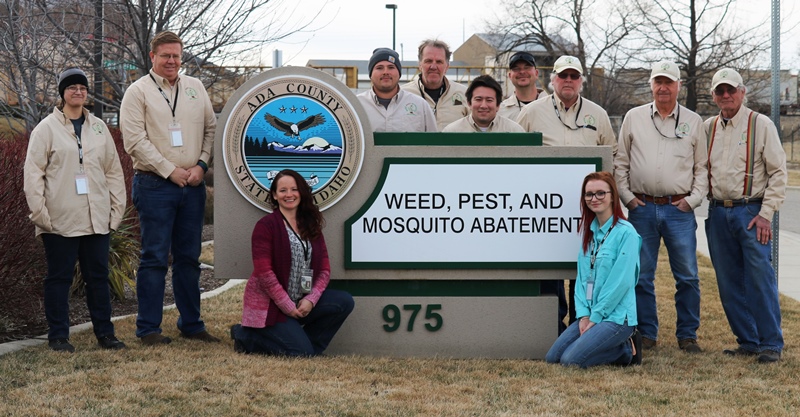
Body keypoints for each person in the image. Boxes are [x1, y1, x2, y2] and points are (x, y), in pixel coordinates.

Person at [120, 31, 219, 345]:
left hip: (192, 186)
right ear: (153, 57)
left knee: (189, 258)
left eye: (176, 55)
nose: (172, 61)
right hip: (154, 185)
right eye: (165, 56)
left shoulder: (195, 87)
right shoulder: (138, 92)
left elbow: (211, 128)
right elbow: (134, 141)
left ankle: (191, 324)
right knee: (154, 258)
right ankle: (148, 328)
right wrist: (169, 170)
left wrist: (201, 165)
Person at [23, 67, 127, 352]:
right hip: (60, 219)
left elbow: (113, 171)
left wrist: (115, 211)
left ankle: (106, 335)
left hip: (97, 219)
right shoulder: (46, 129)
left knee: (97, 278)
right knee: (59, 278)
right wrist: (41, 215)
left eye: (82, 87)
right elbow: (33, 174)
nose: (78, 92)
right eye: (72, 87)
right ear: (62, 93)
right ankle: (58, 337)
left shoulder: (98, 127)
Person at [516, 55, 617, 333]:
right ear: (553, 80)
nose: (569, 81)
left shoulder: (597, 114)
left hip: (589, 207)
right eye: (563, 76)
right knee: (550, 267)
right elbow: (515, 155)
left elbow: (612, 155)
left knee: (585, 266)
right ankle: (551, 323)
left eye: (574, 76)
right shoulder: (533, 112)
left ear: (581, 80)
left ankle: (579, 323)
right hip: (544, 208)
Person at [614, 61, 707, 353]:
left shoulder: (693, 121)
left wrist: (691, 201)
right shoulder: (634, 117)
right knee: (641, 275)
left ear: (679, 86)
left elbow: (702, 168)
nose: (663, 88)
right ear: (651, 85)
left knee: (688, 276)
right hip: (641, 207)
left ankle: (687, 334)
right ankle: (647, 333)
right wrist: (628, 198)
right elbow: (620, 163)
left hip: (678, 210)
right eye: (658, 82)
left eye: (669, 82)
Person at [704, 68, 787, 363]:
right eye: (720, 91)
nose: (726, 96)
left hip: (751, 212)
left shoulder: (760, 124)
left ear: (742, 92)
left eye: (731, 90)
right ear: (713, 95)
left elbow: (778, 172)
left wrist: (766, 214)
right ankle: (748, 340)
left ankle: (771, 343)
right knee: (728, 282)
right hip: (717, 212)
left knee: (760, 279)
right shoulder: (708, 126)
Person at [230, 170, 355, 356]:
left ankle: (309, 347)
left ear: (301, 192)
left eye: (294, 189)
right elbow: (265, 274)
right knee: (299, 353)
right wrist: (287, 306)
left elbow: (325, 270)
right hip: (272, 306)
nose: (289, 194)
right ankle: (244, 335)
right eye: (283, 190)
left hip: (301, 301)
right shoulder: (266, 226)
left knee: (343, 302)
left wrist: (311, 300)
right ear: (274, 195)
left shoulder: (310, 224)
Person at [545, 172, 642, 368]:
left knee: (570, 360)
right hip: (591, 314)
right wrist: (583, 315)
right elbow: (582, 280)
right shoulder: (588, 232)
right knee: (553, 357)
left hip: (616, 317)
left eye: (600, 193)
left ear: (612, 196)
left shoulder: (626, 233)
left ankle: (625, 350)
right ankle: (603, 343)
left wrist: (597, 316)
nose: (594, 199)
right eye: (589, 194)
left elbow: (620, 283)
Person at [357, 47, 436, 132]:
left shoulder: (420, 105)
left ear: (399, 73)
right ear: (370, 74)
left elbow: (434, 142)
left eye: (391, 67)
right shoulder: (357, 105)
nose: (386, 72)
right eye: (379, 68)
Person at [401, 39, 469, 131]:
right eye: (428, 61)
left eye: (439, 62)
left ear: (447, 66)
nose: (433, 67)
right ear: (420, 65)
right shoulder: (402, 95)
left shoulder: (464, 94)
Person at [443, 74, 524, 133]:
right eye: (478, 99)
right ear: (469, 103)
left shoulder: (515, 131)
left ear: (498, 105)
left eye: (489, 100)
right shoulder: (452, 132)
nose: (483, 106)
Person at [497, 51, 542, 120]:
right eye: (516, 69)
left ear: (536, 73)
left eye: (527, 67)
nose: (522, 72)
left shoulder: (553, 107)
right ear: (509, 75)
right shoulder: (500, 112)